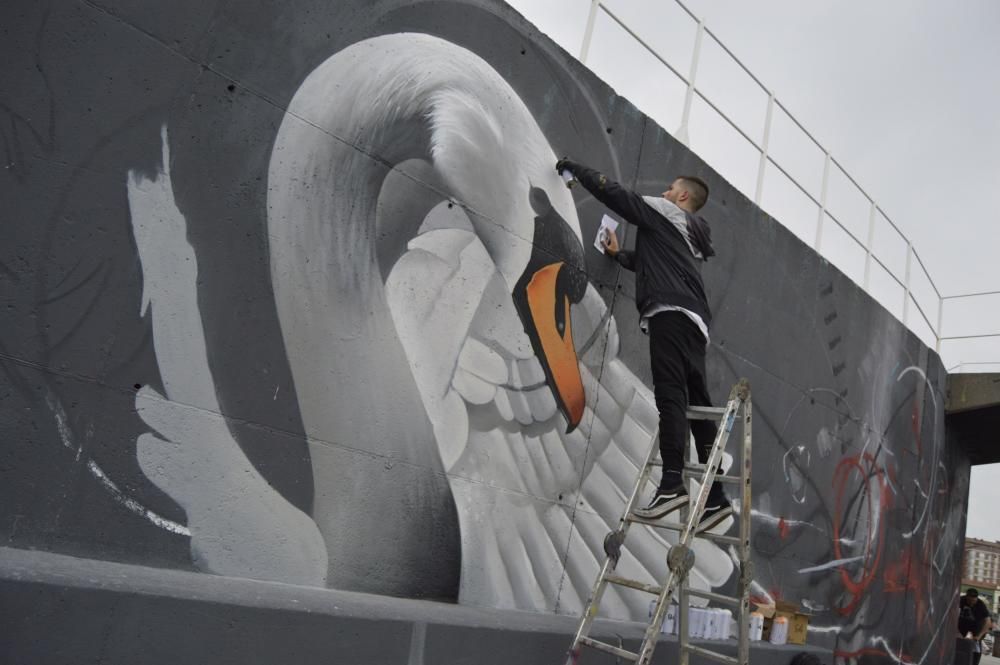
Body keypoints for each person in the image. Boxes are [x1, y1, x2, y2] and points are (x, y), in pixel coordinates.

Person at [555, 158, 730, 530]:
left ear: (681, 195)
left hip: (669, 315)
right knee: (698, 406)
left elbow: (618, 197)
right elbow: (655, 261)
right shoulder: (691, 232)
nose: (664, 193)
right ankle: (715, 498)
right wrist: (618, 255)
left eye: (670, 188)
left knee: (671, 397)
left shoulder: (666, 210)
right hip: (695, 323)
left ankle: (671, 483)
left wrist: (577, 168)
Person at [958, 588, 992, 665]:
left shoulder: (980, 605)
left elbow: (988, 622)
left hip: (976, 631)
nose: (971, 603)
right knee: (960, 650)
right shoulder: (961, 600)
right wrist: (956, 631)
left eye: (973, 601)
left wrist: (979, 636)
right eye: (969, 601)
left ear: (976, 598)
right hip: (962, 628)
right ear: (966, 597)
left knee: (975, 651)